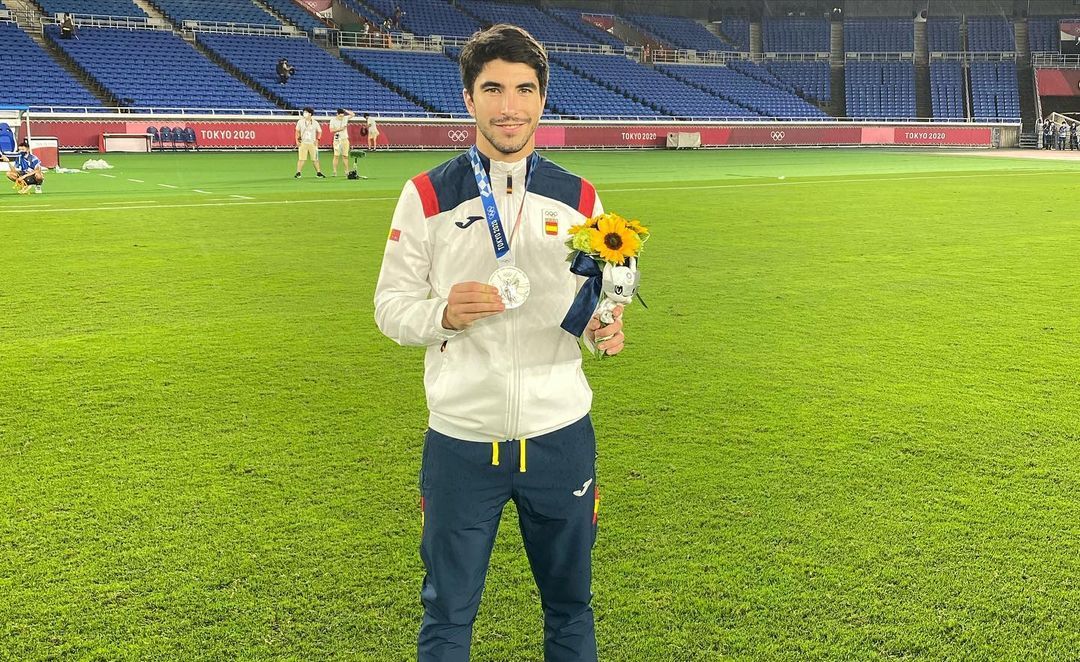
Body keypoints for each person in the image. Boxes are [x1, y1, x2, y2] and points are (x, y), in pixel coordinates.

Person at [374, 24, 625, 662]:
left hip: (559, 434)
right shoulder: (426, 194)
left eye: (523, 90)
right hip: (461, 440)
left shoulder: (579, 197)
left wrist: (603, 327)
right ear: (468, 98)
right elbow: (390, 308)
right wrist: (442, 314)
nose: (509, 106)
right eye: (493, 89)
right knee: (447, 613)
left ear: (542, 98)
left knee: (571, 606)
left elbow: (592, 299)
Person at [294, 107, 325, 178]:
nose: (304, 114)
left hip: (312, 143)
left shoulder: (315, 123)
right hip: (303, 143)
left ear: (310, 114)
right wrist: (297, 141)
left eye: (306, 112)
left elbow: (320, 131)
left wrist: (318, 139)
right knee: (301, 159)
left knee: (315, 159)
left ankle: (318, 172)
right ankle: (298, 172)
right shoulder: (300, 122)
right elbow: (297, 132)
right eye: (304, 112)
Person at [329, 107, 355, 176]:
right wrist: (340, 129)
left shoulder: (345, 118)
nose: (341, 117)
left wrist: (345, 110)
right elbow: (331, 130)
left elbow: (353, 114)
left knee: (345, 156)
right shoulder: (333, 120)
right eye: (340, 116)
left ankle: (346, 171)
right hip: (337, 140)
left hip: (345, 139)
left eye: (342, 116)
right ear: (337, 114)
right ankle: (334, 171)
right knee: (336, 156)